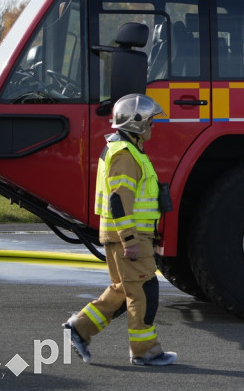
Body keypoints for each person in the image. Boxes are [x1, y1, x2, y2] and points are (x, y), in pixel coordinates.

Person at [64, 93, 177, 366]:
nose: (154, 126)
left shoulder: (128, 150)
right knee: (143, 292)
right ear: (136, 124)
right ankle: (146, 351)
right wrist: (130, 239)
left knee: (123, 289)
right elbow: (119, 200)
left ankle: (80, 328)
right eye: (150, 121)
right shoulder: (125, 155)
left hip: (128, 235)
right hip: (130, 236)